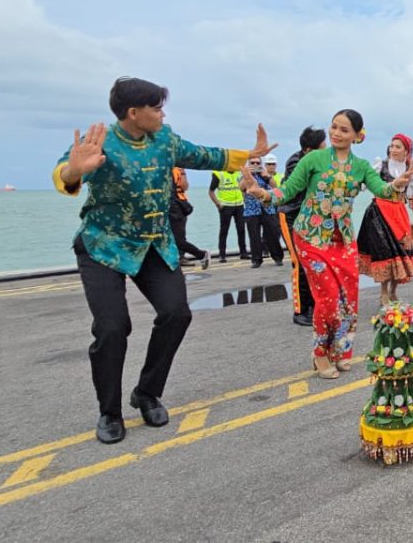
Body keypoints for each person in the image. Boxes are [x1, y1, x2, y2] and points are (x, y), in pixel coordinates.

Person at [54, 76, 274, 444]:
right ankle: (109, 411)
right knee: (112, 328)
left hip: (155, 245)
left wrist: (248, 154)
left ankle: (146, 392)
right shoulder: (101, 142)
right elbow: (66, 174)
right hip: (104, 247)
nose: (162, 113)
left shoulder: (165, 139)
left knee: (177, 314)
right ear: (133, 112)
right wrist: (75, 170)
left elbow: (204, 154)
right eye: (156, 107)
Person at [244, 109, 411, 379]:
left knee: (348, 299)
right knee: (327, 299)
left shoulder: (361, 167)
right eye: (334, 127)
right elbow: (287, 190)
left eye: (344, 130)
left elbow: (381, 190)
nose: (336, 133)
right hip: (310, 237)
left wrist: (398, 185)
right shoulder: (314, 159)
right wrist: (262, 193)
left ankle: (342, 351)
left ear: (357, 136)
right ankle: (320, 354)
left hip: (342, 240)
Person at [359, 134, 413, 305]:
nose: (393, 149)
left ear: (406, 151)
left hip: (399, 213)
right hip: (379, 213)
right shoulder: (381, 165)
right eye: (392, 146)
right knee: (384, 251)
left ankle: (393, 291)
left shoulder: (410, 168)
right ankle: (383, 292)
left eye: (398, 147)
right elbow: (365, 185)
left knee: (400, 251)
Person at [280, 126, 327, 327]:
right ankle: (300, 311)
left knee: (314, 262)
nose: (326, 151)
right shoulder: (295, 163)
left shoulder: (319, 160)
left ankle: (315, 305)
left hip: (309, 219)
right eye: (322, 147)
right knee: (299, 263)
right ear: (309, 150)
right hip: (290, 216)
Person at [242, 156, 284, 268]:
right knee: (254, 236)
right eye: (252, 163)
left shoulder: (265, 175)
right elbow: (241, 187)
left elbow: (275, 186)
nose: (255, 165)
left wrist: (267, 176)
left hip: (267, 208)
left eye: (257, 163)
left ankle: (278, 257)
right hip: (252, 210)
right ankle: (256, 259)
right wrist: (248, 175)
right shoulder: (245, 175)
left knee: (273, 233)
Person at [168, 167, 209, 270]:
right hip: (171, 208)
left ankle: (201, 254)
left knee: (178, 240)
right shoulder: (170, 169)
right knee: (173, 238)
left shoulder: (175, 170)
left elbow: (183, 187)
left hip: (176, 208)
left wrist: (182, 173)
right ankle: (176, 258)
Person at [209, 166, 247, 262]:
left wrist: (244, 199)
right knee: (224, 231)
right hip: (225, 206)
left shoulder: (239, 173)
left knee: (241, 229)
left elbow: (244, 188)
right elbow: (211, 191)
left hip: (239, 205)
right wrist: (218, 204)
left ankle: (243, 253)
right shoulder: (219, 174)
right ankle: (222, 255)